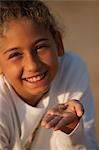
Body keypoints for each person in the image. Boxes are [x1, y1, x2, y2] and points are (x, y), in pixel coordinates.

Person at [0, 0, 98, 150]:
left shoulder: (71, 71)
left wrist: (72, 129)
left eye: (40, 47)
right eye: (15, 55)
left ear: (58, 44)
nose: (32, 65)